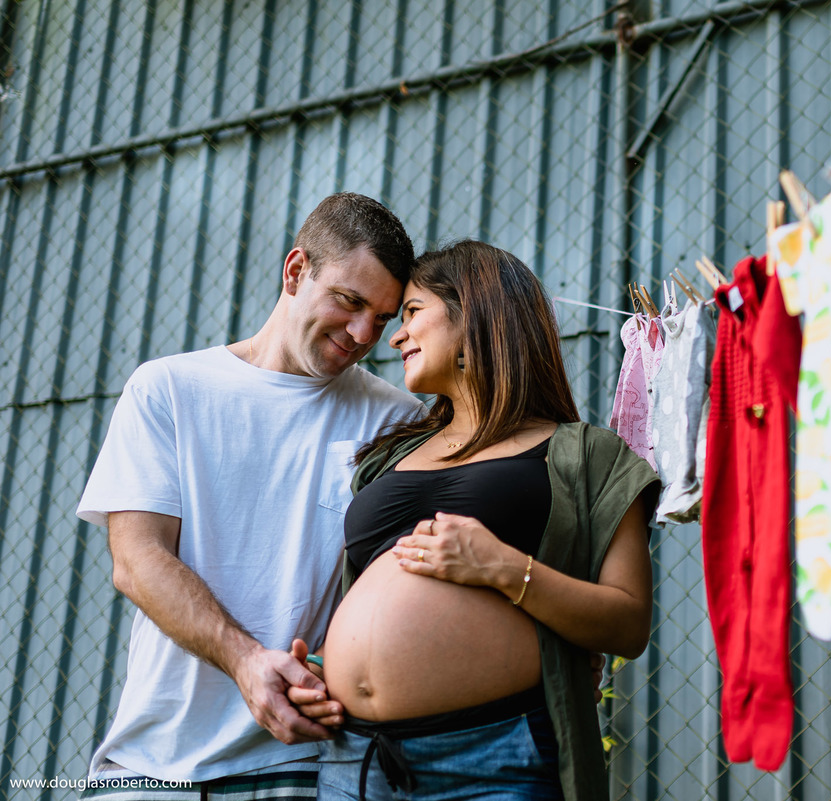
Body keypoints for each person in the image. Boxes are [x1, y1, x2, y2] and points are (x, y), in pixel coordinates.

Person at [75, 193, 426, 799]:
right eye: (350, 302)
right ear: (295, 271)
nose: (364, 333)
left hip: (306, 765)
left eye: (384, 319)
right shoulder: (169, 389)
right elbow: (136, 562)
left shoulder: (398, 420)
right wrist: (244, 661)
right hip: (155, 762)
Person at [287, 240, 660, 801]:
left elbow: (629, 624)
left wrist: (503, 568)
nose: (393, 336)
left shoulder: (586, 455)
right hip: (355, 755)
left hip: (492, 758)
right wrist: (324, 668)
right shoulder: (387, 455)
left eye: (411, 313)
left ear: (476, 313)